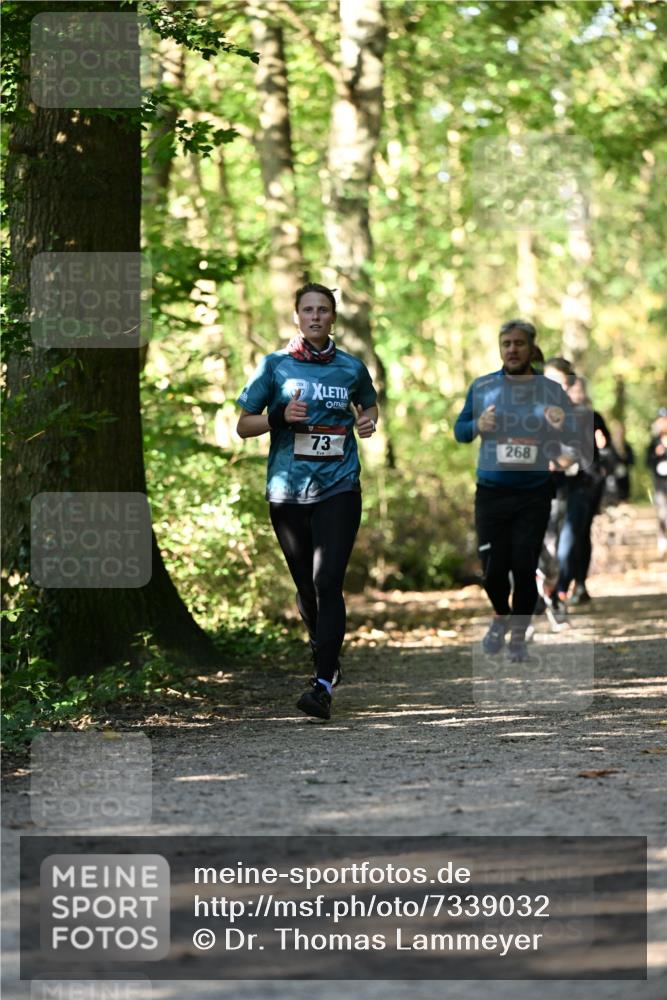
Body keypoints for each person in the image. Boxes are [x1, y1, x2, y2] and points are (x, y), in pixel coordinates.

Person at [236, 282, 378, 720]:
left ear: (333, 317)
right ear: (297, 316)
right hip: (288, 491)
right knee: (306, 588)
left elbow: (368, 406)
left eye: (323, 310)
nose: (315, 316)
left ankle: (321, 686)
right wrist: (278, 417)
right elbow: (243, 425)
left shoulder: (351, 368)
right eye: (308, 310)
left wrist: (367, 422)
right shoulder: (274, 366)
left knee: (327, 581)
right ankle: (325, 650)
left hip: (339, 486)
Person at [454, 319, 577, 662]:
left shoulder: (550, 390)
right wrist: (477, 424)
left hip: (534, 493)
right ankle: (501, 615)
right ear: (499, 348)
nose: (512, 349)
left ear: (531, 348)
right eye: (506, 343)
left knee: (524, 567)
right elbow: (460, 431)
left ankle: (519, 637)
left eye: (519, 343)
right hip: (491, 492)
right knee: (492, 571)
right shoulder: (483, 386)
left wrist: (561, 423)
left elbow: (575, 436)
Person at [551, 376, 614, 607]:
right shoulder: (554, 416)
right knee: (559, 534)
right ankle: (558, 585)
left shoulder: (593, 417)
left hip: (587, 483)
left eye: (578, 390)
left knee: (578, 532)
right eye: (571, 390)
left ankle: (575, 584)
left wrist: (602, 449)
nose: (575, 395)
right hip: (559, 483)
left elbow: (608, 450)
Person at [646, 407, 667, 557]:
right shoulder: (654, 442)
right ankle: (662, 539)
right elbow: (647, 462)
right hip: (659, 482)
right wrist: (656, 454)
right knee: (662, 510)